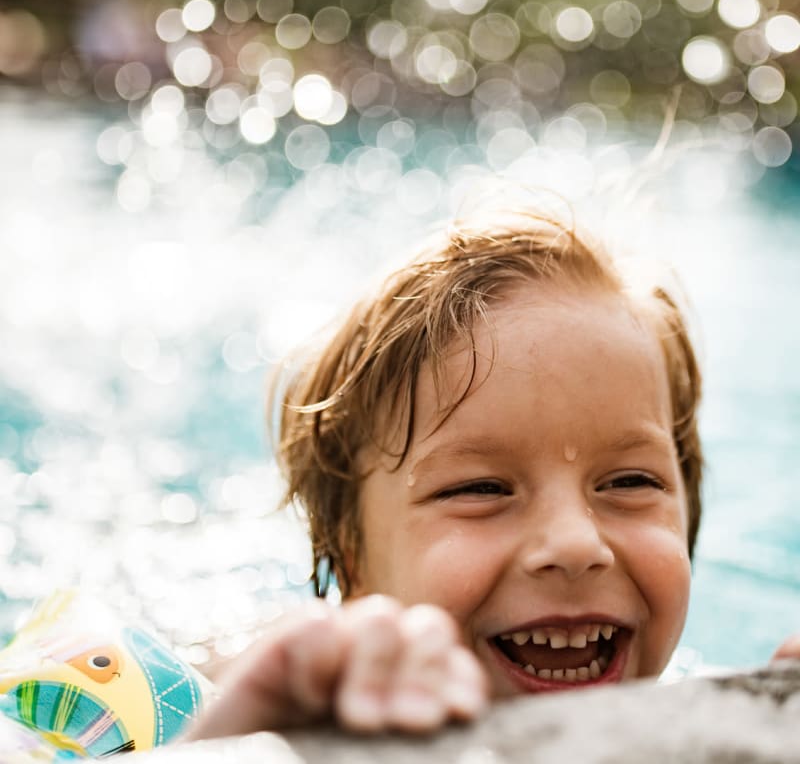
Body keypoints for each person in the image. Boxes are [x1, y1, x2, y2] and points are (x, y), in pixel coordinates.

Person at [188, 201, 800, 742]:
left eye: (630, 482)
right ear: (352, 563)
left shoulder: (721, 716)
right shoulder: (261, 722)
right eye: (480, 488)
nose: (576, 544)